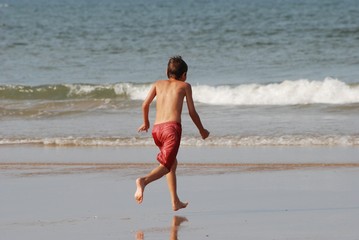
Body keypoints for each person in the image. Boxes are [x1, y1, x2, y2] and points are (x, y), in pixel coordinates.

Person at [135, 56, 210, 211]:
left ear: (166, 72)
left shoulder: (158, 84)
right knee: (166, 165)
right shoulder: (185, 86)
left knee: (172, 163)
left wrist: (146, 122)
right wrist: (202, 130)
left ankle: (175, 201)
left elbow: (145, 104)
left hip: (157, 130)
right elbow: (192, 112)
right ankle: (143, 181)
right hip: (171, 130)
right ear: (184, 75)